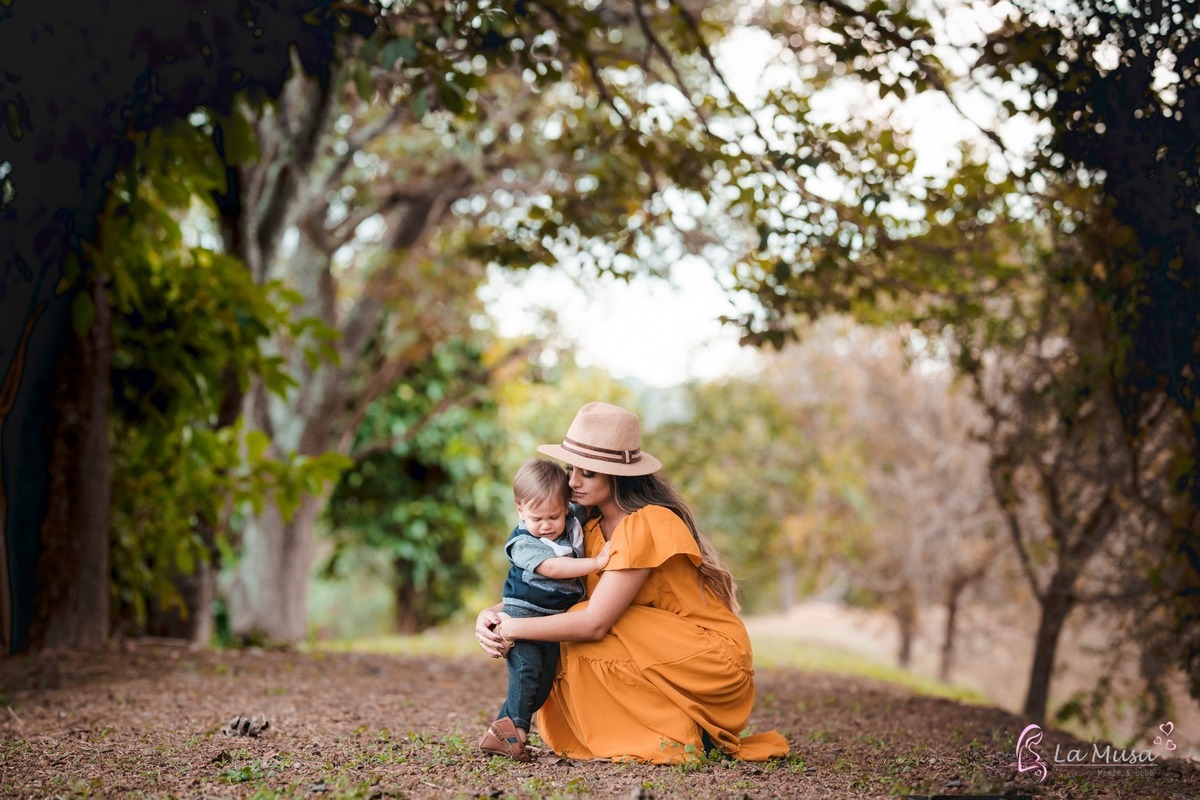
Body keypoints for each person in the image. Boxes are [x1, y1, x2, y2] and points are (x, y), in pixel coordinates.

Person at [476, 401, 790, 764]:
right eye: (571, 469)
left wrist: (517, 627)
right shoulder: (586, 530)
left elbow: (595, 622)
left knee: (575, 626)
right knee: (562, 626)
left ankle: (686, 729)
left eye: (588, 473)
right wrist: (492, 615)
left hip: (707, 656)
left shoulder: (646, 523)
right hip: (650, 642)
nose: (573, 482)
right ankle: (661, 726)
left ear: (618, 476)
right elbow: (552, 592)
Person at [479, 458, 611, 762]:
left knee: (542, 683)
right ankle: (517, 736)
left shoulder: (571, 520)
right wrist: (596, 563)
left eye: (554, 516)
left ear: (566, 507)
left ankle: (498, 736)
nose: (546, 525)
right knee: (525, 670)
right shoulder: (523, 542)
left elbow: (590, 507)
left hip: (552, 621)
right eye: (537, 517)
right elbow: (552, 567)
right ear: (520, 511)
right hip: (521, 613)